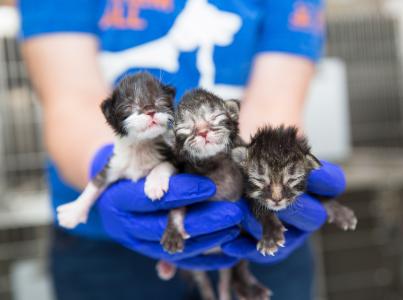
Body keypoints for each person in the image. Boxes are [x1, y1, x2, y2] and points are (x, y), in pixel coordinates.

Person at [19, 0, 345, 299]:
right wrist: (107, 169)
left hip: (254, 242)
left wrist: (270, 170)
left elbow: (275, 104)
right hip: (104, 252)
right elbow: (71, 101)